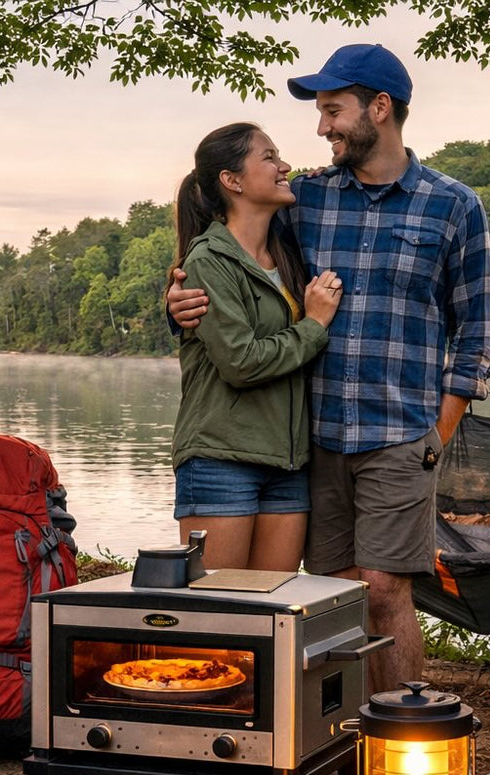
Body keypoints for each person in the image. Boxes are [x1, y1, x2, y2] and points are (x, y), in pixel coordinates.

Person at [167, 45, 490, 692]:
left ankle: (401, 739)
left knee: (382, 591)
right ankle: (339, 743)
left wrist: (439, 436)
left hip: (400, 436)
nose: (322, 129)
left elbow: (477, 334)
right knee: (329, 595)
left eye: (333, 111)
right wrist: (175, 302)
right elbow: (236, 256)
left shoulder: (454, 206)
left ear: (380, 108)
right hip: (311, 442)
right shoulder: (307, 199)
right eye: (320, 114)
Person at [170, 122, 345, 572]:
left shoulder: (287, 255)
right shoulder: (208, 260)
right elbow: (241, 363)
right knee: (221, 615)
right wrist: (315, 325)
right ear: (232, 181)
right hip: (220, 460)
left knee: (271, 618)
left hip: (287, 466)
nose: (284, 165)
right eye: (268, 158)